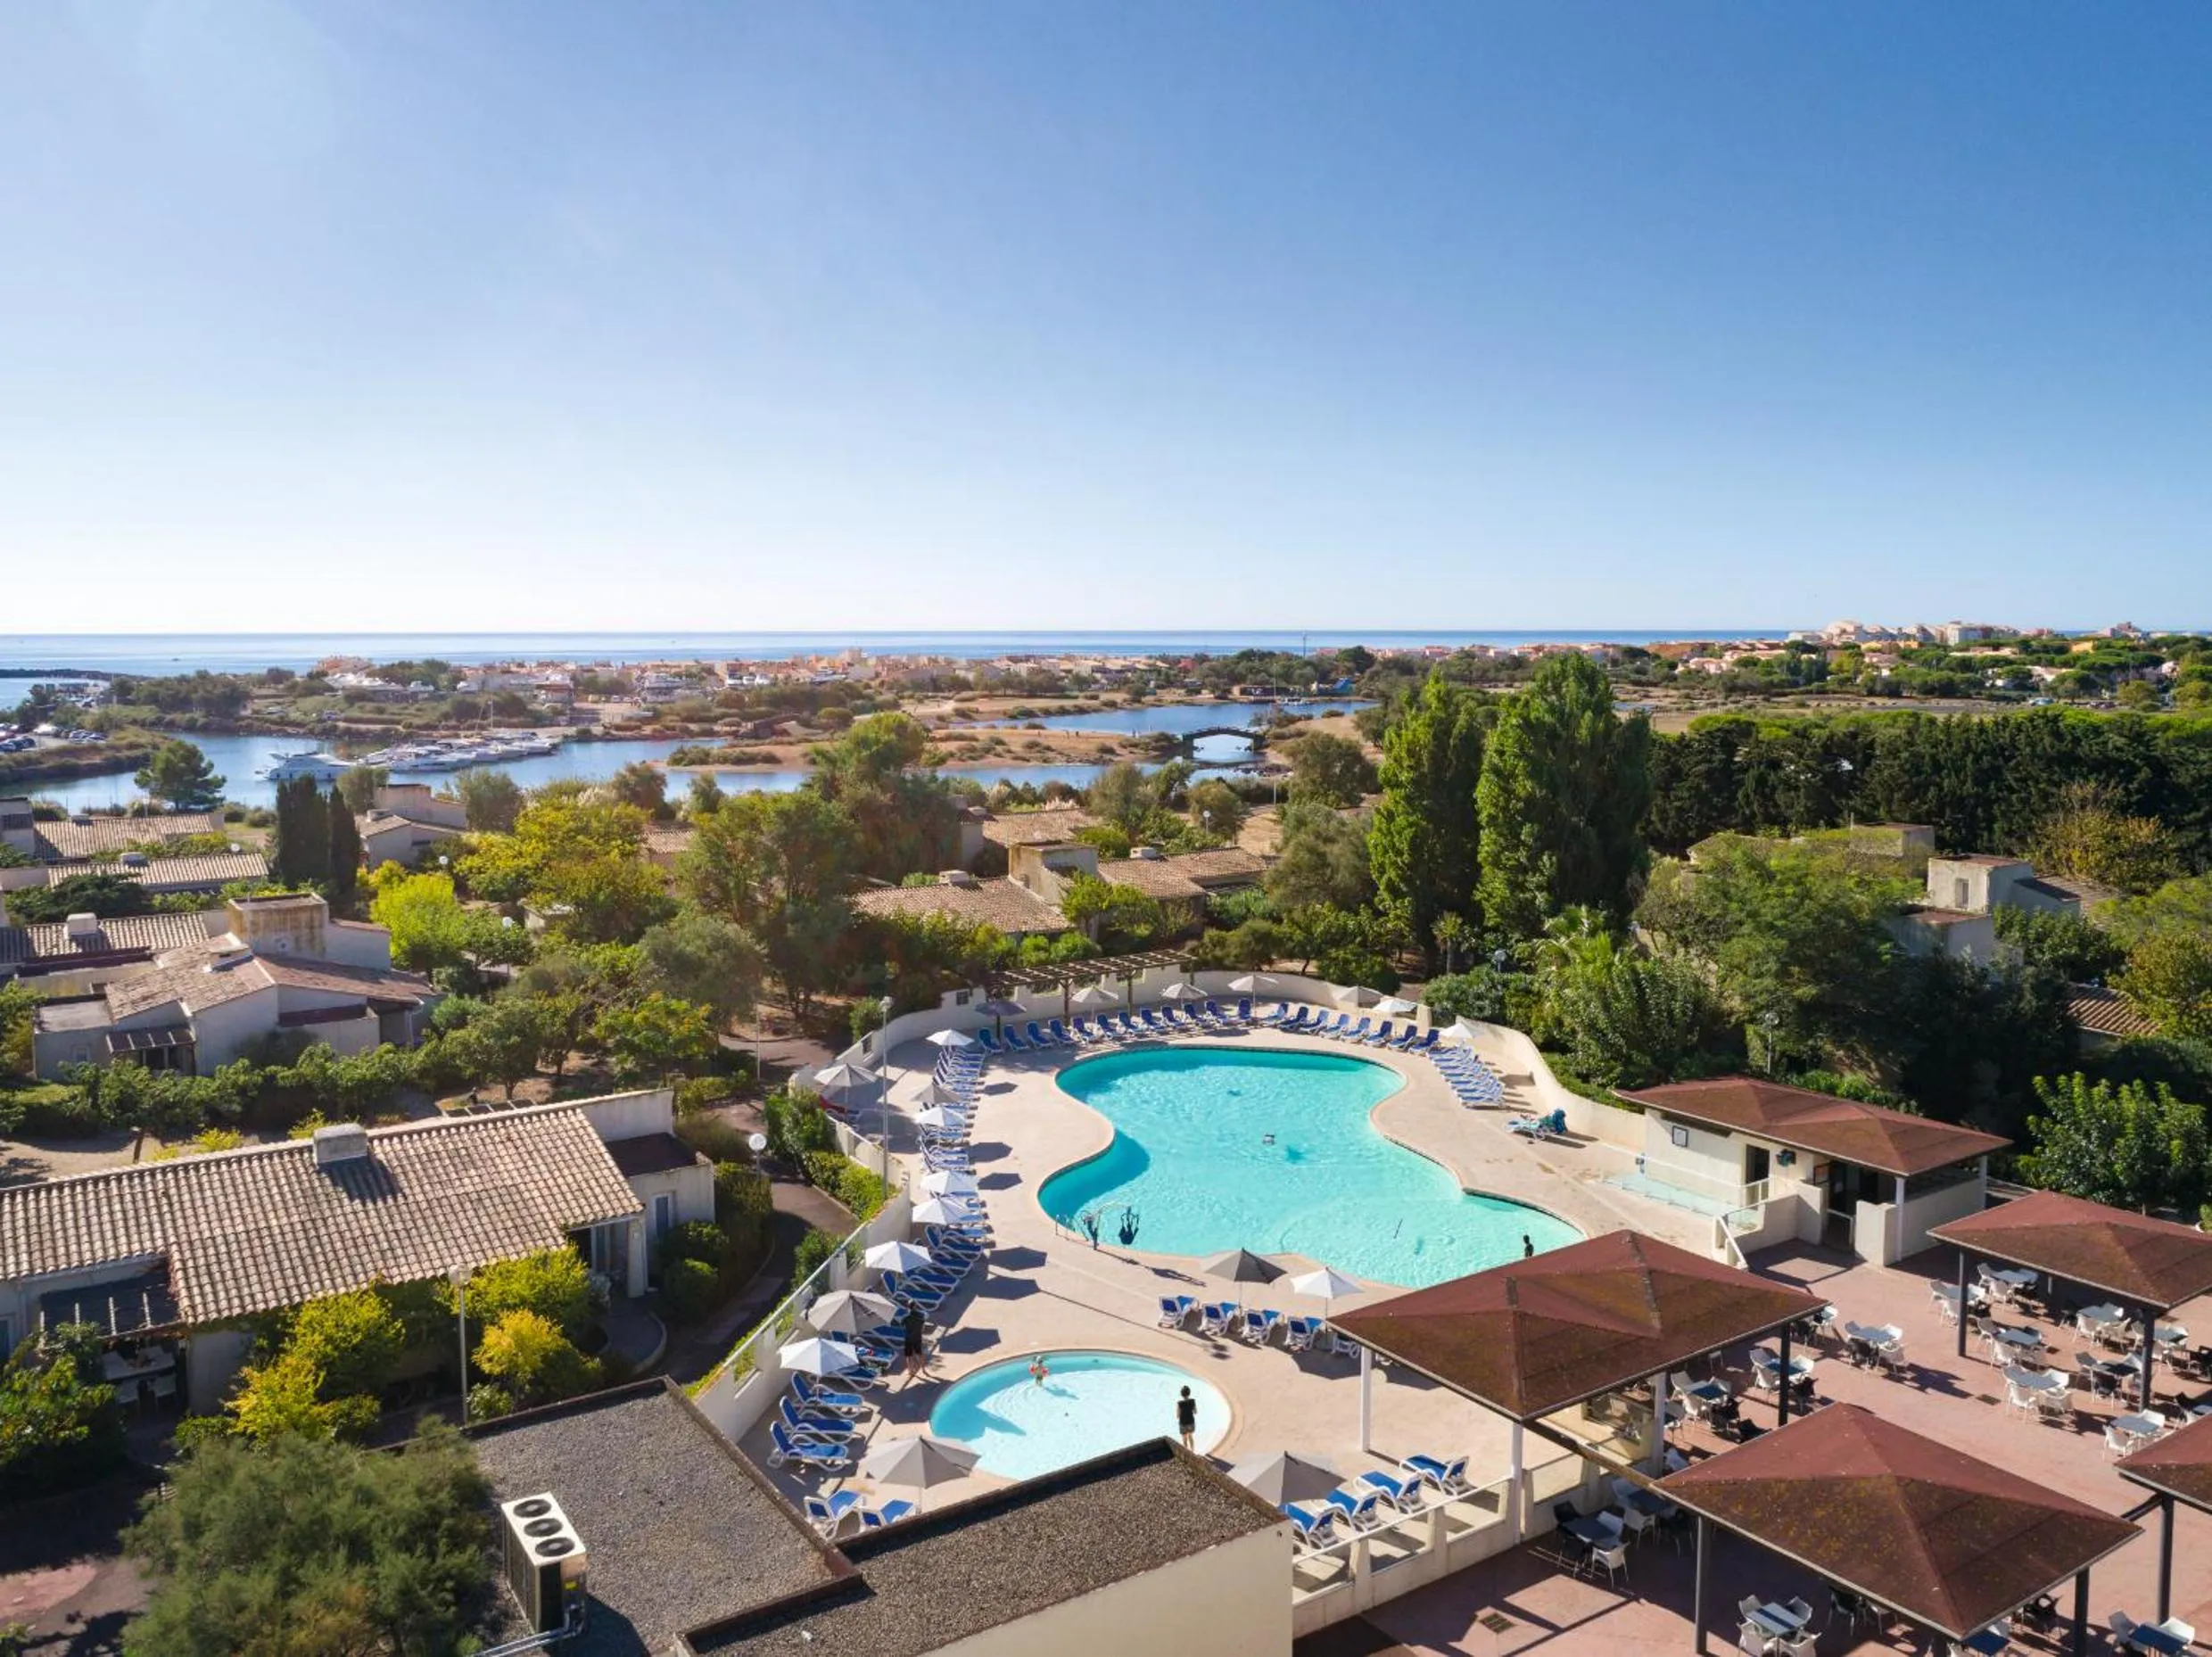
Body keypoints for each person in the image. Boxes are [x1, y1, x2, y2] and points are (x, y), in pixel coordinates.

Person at [902, 1304, 927, 1381]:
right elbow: (923, 1327)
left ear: (908, 1307)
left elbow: (903, 1326)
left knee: (909, 1356)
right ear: (915, 1307)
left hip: (909, 1338)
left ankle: (911, 1371)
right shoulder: (920, 1316)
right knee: (919, 1354)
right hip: (917, 1337)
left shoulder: (905, 1318)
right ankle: (923, 1369)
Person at [1175, 1384, 1198, 1450]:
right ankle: (1192, 1452)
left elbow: (1177, 1416)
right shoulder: (1193, 1401)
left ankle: (1187, 1453)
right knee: (1190, 1437)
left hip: (1183, 1423)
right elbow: (1195, 1412)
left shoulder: (1179, 1403)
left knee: (1184, 1439)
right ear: (1189, 1393)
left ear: (1181, 1394)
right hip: (1191, 1422)